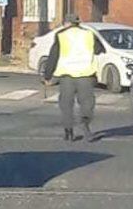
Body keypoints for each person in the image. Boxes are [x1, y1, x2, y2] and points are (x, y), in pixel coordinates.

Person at [42, 14, 104, 142]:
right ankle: (85, 126)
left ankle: (68, 132)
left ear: (66, 23)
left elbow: (53, 56)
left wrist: (47, 76)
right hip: (85, 74)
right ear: (78, 23)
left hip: (66, 75)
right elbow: (99, 50)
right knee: (87, 103)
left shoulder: (61, 35)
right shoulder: (89, 34)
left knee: (66, 104)